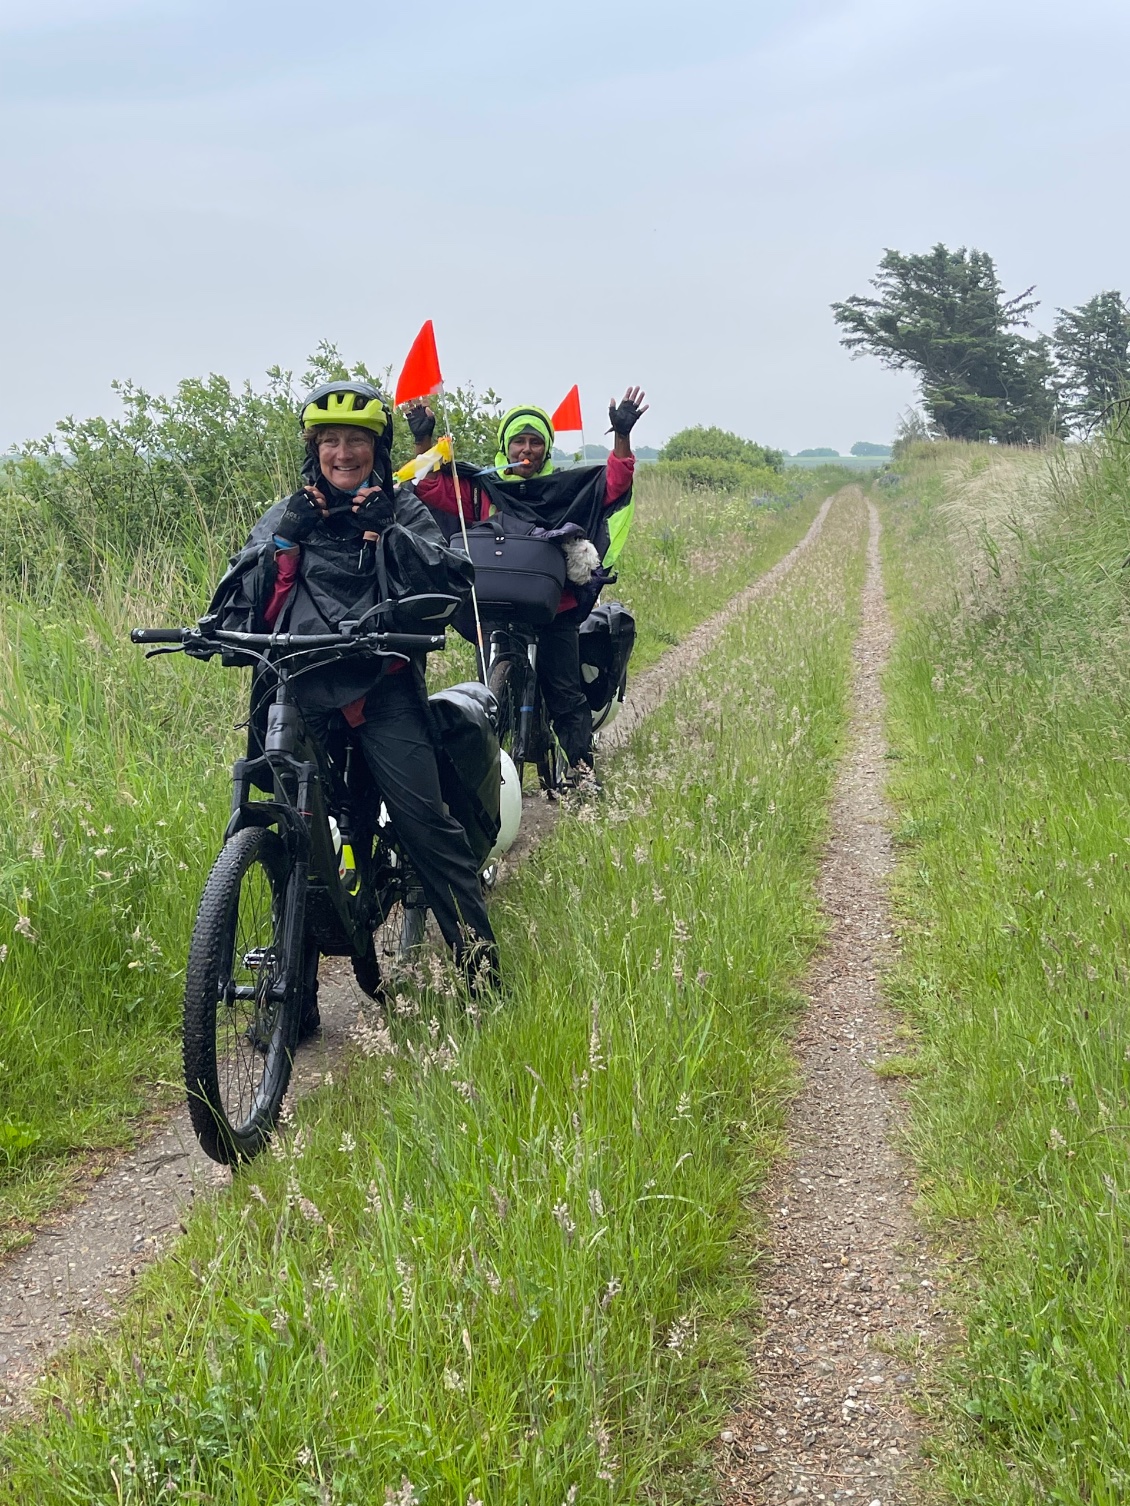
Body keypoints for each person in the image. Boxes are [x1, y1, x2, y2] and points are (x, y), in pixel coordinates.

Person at [204, 380, 499, 1019]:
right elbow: (240, 591)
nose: (343, 452)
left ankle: (483, 984)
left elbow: (444, 579)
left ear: (378, 448)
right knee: (294, 827)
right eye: (330, 440)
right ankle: (294, 1002)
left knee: (424, 824)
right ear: (314, 448)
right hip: (298, 684)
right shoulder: (290, 510)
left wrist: (388, 530)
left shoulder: (401, 507)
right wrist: (286, 536)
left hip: (382, 686)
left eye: (357, 440)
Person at [410, 387, 647, 774]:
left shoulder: (567, 489)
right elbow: (428, 486)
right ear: (506, 444)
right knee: (485, 697)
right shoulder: (484, 487)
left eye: (536, 441)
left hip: (555, 610)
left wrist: (622, 436)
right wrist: (423, 439)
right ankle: (486, 782)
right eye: (519, 440)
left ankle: (583, 775)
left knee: (566, 693)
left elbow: (615, 484)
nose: (527, 449)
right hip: (494, 604)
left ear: (546, 447)